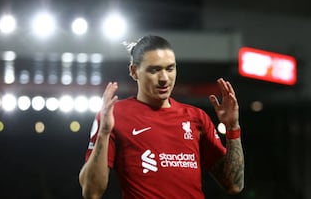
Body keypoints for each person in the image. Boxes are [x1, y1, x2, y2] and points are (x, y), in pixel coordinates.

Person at [79, 35, 244, 199]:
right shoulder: (115, 115)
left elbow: (234, 185)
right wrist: (104, 133)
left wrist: (233, 128)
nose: (164, 78)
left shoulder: (196, 117)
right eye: (154, 70)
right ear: (134, 71)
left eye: (170, 68)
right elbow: (91, 192)